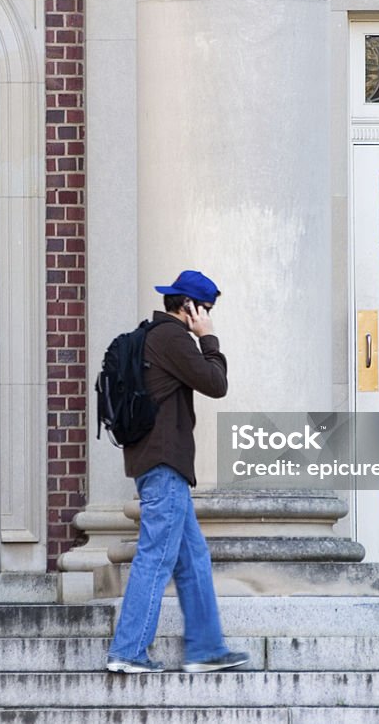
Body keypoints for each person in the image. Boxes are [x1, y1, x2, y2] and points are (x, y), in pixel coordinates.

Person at [105, 270, 250, 674]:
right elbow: (215, 382)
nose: (208, 316)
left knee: (193, 558)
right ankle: (128, 650)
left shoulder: (153, 335)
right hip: (165, 464)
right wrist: (209, 339)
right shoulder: (172, 338)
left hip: (158, 464)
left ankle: (205, 649)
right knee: (155, 556)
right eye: (205, 309)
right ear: (189, 306)